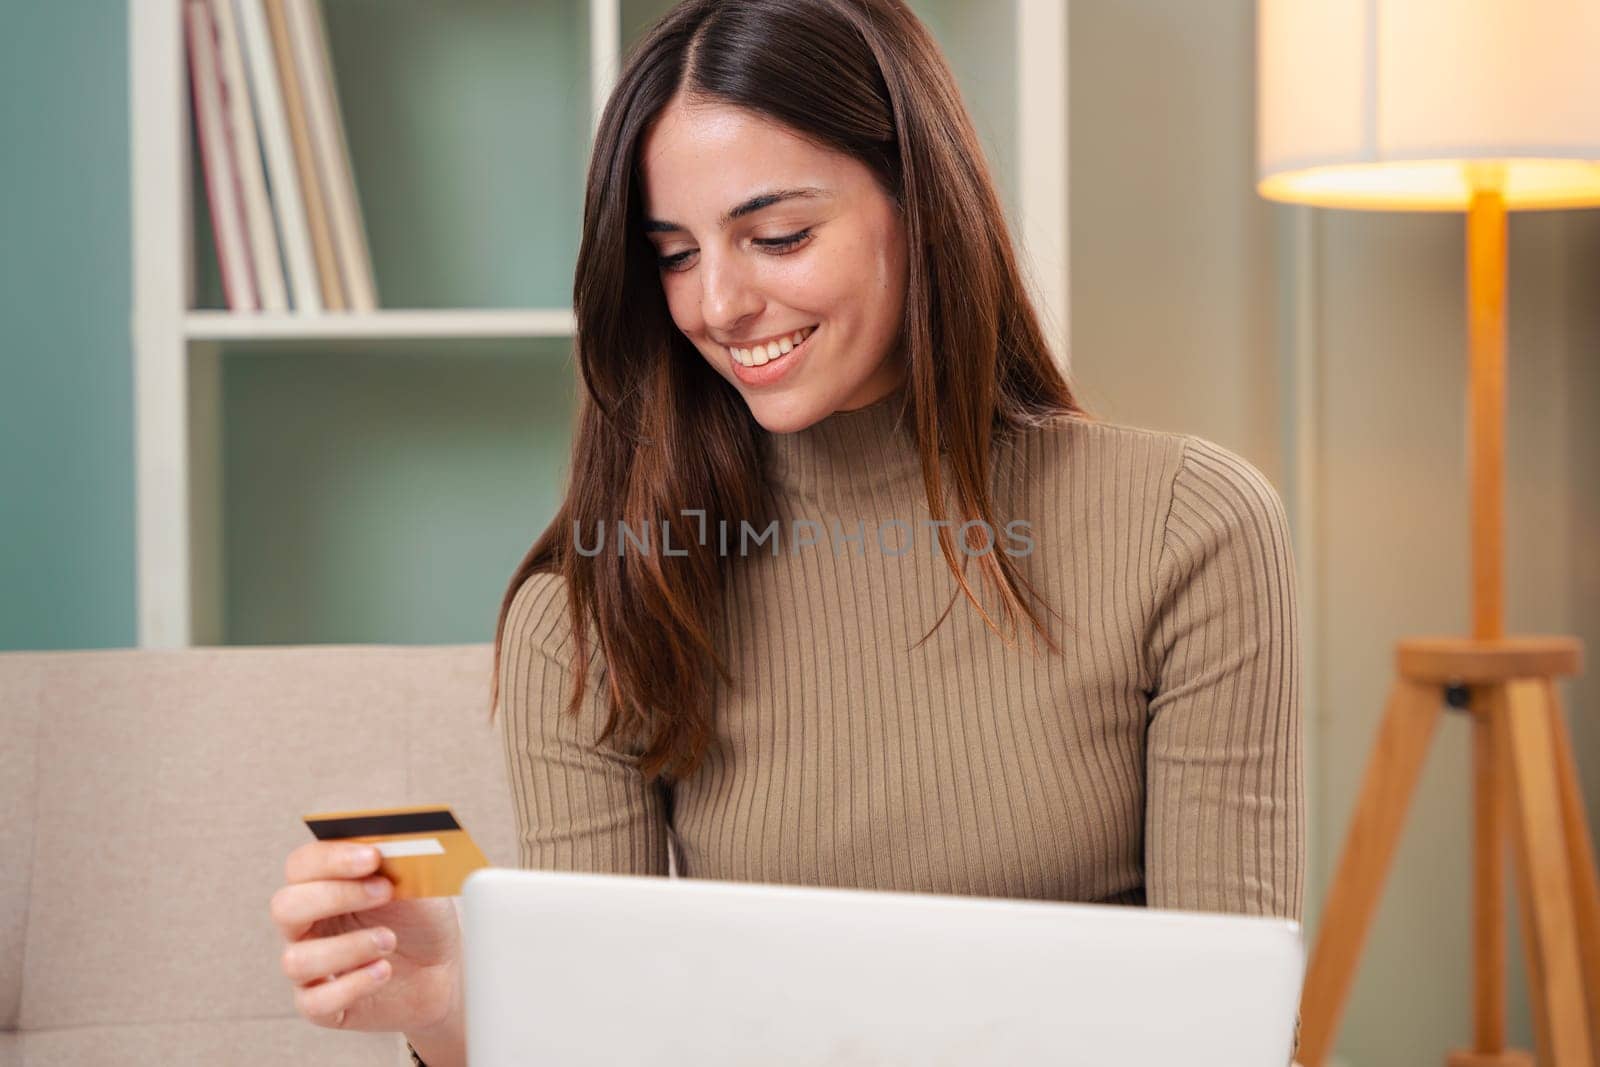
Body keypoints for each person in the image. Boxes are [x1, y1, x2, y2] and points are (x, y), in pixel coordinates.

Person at [269, 1, 1305, 1064]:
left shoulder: (1189, 529)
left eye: (777, 237)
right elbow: (601, 1041)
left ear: (920, 201)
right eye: (672, 255)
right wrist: (452, 1008)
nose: (718, 302)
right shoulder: (596, 606)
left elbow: (1225, 1030)